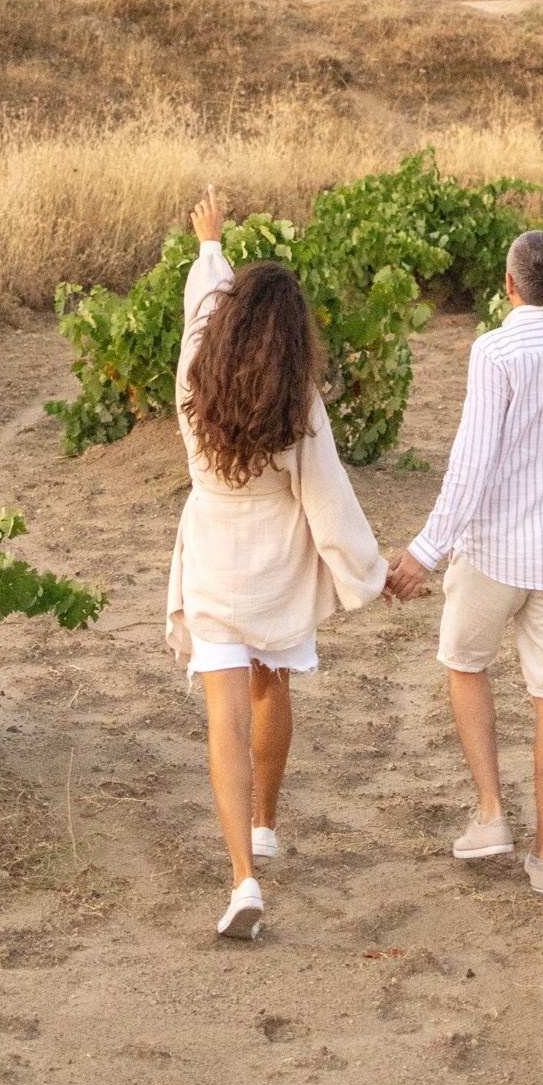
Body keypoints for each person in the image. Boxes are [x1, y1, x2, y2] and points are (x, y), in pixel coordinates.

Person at [169, 192, 389, 941]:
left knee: (222, 717)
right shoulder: (295, 404)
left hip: (212, 562)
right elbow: (329, 500)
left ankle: (242, 879)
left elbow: (202, 304)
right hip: (276, 569)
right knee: (274, 684)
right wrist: (369, 573)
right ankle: (265, 822)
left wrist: (210, 244)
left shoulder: (193, 379)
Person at [384, 227, 543, 896]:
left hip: (492, 550)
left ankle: (491, 812)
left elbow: (469, 464)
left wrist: (422, 554)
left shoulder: (494, 349)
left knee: (465, 665)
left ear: (509, 285)